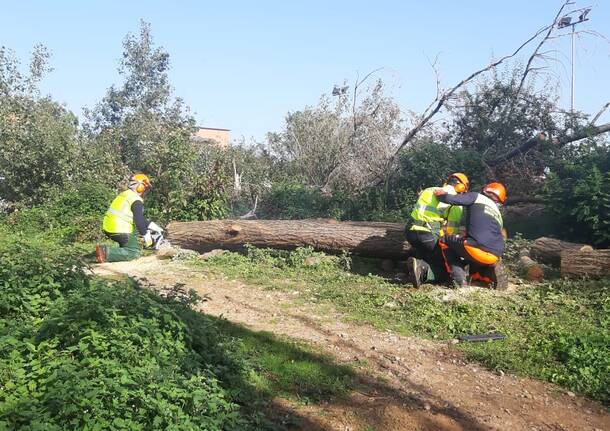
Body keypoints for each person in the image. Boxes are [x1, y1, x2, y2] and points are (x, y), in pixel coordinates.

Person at [433, 182, 507, 287]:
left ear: (485, 191)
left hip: (475, 249)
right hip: (495, 255)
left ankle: (459, 280)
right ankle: (483, 276)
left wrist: (441, 195)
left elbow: (452, 200)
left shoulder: (477, 197)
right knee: (473, 245)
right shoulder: (498, 214)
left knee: (444, 240)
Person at [405, 173, 469, 288]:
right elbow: (451, 232)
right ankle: (422, 271)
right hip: (427, 234)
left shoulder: (429, 189)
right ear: (462, 187)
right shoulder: (455, 201)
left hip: (410, 231)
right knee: (445, 267)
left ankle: (417, 264)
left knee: (427, 253)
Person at [95, 173, 163, 263]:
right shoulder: (135, 200)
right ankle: (105, 252)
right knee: (134, 252)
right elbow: (138, 221)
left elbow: (139, 218)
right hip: (119, 228)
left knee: (131, 241)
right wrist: (146, 235)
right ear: (139, 185)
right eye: (144, 186)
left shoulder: (125, 194)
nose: (145, 189)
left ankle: (103, 253)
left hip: (109, 226)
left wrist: (155, 227)